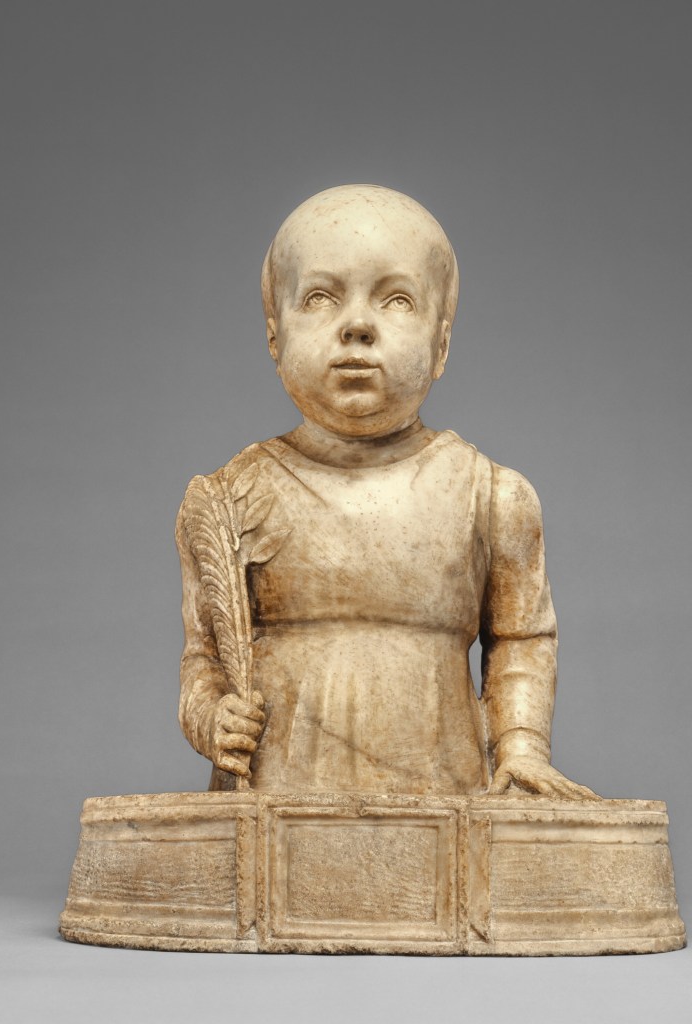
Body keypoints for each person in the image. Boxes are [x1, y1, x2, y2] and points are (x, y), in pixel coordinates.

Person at [176, 184, 596, 799]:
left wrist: (523, 747)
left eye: (396, 300)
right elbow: (204, 662)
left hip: (444, 801)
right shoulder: (230, 498)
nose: (356, 326)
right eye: (320, 298)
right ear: (274, 337)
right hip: (276, 805)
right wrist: (213, 720)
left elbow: (521, 640)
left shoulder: (491, 497)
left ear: (441, 344)